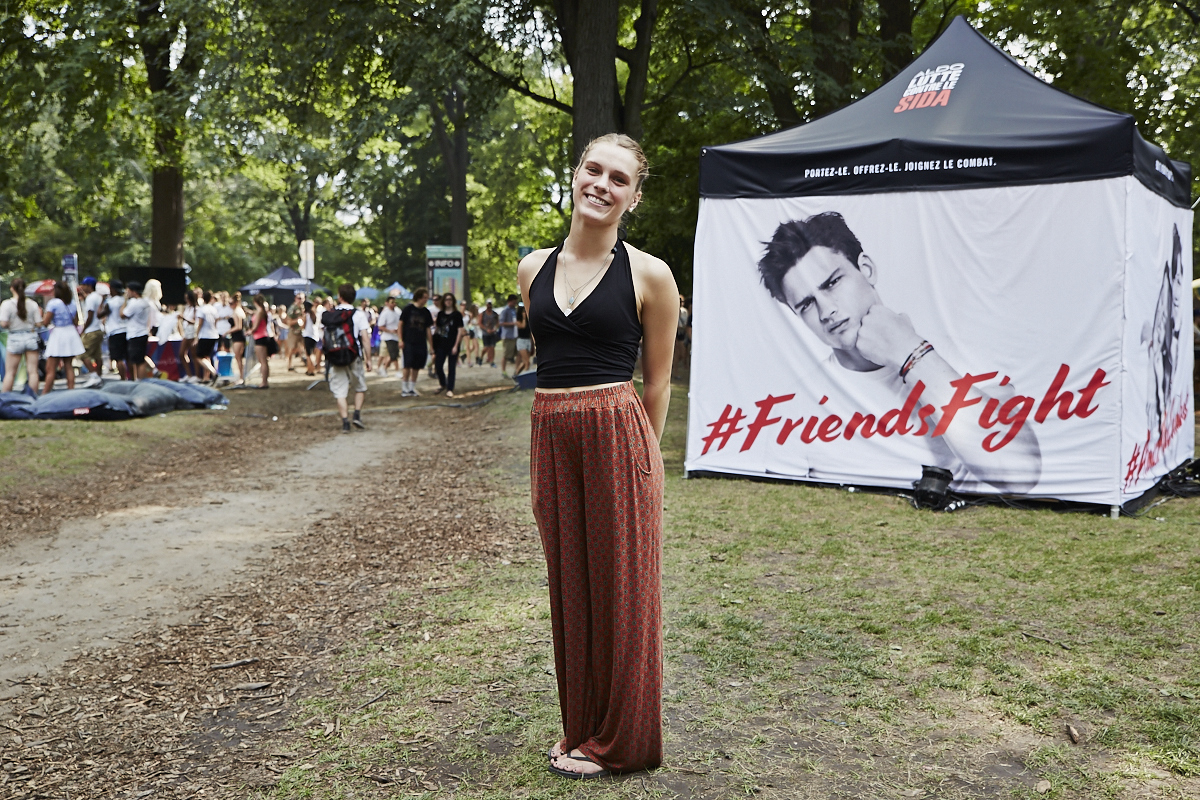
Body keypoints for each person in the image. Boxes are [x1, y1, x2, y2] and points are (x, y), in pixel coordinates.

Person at [518, 133, 678, 779]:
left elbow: (658, 382)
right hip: (551, 433)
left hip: (618, 433)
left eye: (618, 179)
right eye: (593, 169)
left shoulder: (650, 274)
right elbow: (546, 356)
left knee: (623, 594)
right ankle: (583, 728)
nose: (601, 185)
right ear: (575, 173)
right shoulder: (532, 267)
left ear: (633, 198)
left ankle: (625, 744)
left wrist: (646, 460)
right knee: (572, 590)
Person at [757, 210, 1041, 492]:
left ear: (866, 269)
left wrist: (909, 353)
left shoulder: (964, 355)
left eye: (832, 283)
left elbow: (1019, 472)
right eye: (806, 304)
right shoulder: (796, 406)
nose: (826, 310)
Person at [323, 283, 373, 432]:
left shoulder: (330, 315)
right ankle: (356, 415)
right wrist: (369, 359)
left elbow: (324, 337)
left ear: (340, 297)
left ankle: (345, 422)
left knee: (340, 391)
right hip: (353, 355)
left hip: (335, 356)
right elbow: (365, 339)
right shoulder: (358, 314)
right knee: (360, 387)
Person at [42, 280, 85, 393]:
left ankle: (45, 393)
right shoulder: (72, 304)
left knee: (51, 368)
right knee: (68, 366)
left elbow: (46, 322)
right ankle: (71, 392)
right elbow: (76, 322)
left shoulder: (53, 303)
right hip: (71, 333)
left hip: (58, 334)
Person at [0, 278, 41, 394]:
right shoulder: (32, 304)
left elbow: (3, 323)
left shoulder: (7, 304)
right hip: (30, 336)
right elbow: (39, 323)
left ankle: (5, 399)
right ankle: (33, 397)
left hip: (14, 337)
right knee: (33, 372)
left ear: (12, 288)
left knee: (10, 373)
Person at [399, 288, 433, 397]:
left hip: (421, 342)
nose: (426, 300)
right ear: (418, 297)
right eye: (424, 297)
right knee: (407, 364)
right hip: (408, 341)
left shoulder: (426, 312)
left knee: (417, 365)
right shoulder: (408, 309)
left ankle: (412, 387)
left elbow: (428, 329)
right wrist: (400, 340)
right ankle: (404, 387)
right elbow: (400, 324)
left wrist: (431, 345)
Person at [432, 292, 465, 397]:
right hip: (441, 344)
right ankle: (443, 384)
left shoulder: (457, 315)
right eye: (446, 299)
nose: (448, 301)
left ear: (453, 301)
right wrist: (433, 343)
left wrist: (456, 345)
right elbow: (437, 329)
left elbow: (460, 331)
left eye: (450, 299)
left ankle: (450, 388)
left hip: (452, 344)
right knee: (438, 366)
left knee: (451, 368)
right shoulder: (440, 314)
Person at [119, 280, 153, 380]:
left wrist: (125, 301)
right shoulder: (145, 302)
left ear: (133, 292)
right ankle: (141, 379)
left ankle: (141, 380)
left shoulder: (134, 303)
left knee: (138, 361)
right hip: (142, 332)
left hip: (135, 334)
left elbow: (122, 314)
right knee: (139, 359)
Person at [78, 277, 105, 385]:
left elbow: (90, 316)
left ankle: (94, 375)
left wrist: (83, 329)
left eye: (83, 285)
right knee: (97, 355)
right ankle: (99, 375)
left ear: (89, 286)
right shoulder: (98, 297)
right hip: (99, 328)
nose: (82, 287)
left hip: (91, 330)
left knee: (82, 354)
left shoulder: (90, 298)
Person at [249, 294, 278, 389]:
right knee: (263, 361)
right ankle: (264, 381)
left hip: (261, 337)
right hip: (262, 337)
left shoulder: (260, 312)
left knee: (263, 361)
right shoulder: (261, 311)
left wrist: (249, 331)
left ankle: (264, 382)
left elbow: (256, 326)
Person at [101, 279, 128, 380]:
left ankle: (123, 378)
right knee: (128, 357)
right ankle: (133, 378)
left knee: (118, 358)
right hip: (126, 330)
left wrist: (102, 300)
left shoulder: (110, 302)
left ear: (113, 289)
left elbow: (100, 314)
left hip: (114, 331)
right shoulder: (125, 300)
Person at [195, 290, 219, 383]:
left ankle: (213, 372)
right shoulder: (213, 309)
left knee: (199, 357)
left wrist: (196, 336)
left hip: (205, 335)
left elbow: (200, 324)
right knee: (207, 356)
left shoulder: (202, 309)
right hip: (214, 335)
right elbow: (216, 321)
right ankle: (206, 377)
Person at [376, 295, 402, 377]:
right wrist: (390, 331)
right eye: (392, 302)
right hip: (388, 337)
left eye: (394, 302)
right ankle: (397, 370)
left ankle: (384, 368)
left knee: (393, 354)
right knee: (392, 354)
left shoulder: (398, 312)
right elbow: (380, 326)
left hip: (396, 336)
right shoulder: (385, 313)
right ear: (387, 303)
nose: (394, 304)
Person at [179, 289, 199, 382]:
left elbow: (194, 321)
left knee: (194, 355)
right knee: (181, 354)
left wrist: (184, 318)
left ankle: (197, 376)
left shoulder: (196, 309)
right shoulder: (187, 308)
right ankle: (189, 374)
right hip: (186, 333)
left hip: (192, 333)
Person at [498, 294, 520, 377]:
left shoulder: (515, 310)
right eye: (513, 302)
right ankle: (503, 371)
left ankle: (516, 371)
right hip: (508, 336)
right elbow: (501, 323)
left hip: (515, 335)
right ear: (509, 301)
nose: (515, 304)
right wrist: (512, 323)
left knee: (519, 354)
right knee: (506, 355)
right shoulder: (505, 310)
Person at [230, 291, 248, 384]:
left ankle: (241, 377)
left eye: (231, 303)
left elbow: (238, 326)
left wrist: (227, 331)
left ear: (236, 303)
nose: (230, 305)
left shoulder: (237, 311)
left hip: (238, 337)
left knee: (238, 358)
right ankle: (241, 376)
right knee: (239, 358)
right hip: (239, 337)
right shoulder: (240, 310)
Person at [479, 299, 499, 367]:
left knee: (492, 347)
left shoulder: (494, 314)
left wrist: (495, 328)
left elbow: (497, 323)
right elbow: (480, 323)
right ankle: (481, 357)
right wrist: (486, 329)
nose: (489, 307)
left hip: (492, 333)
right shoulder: (483, 314)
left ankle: (492, 361)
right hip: (485, 333)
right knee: (486, 347)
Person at [301, 300, 319, 376]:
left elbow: (303, 326)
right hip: (314, 336)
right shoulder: (314, 315)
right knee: (312, 353)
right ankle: (309, 369)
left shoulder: (306, 315)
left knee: (309, 354)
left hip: (308, 335)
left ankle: (312, 369)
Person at [515, 303, 532, 374]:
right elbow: (523, 326)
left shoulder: (528, 321)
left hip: (527, 340)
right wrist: (524, 318)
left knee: (526, 362)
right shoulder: (518, 321)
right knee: (526, 362)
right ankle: (524, 375)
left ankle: (517, 374)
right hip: (521, 341)